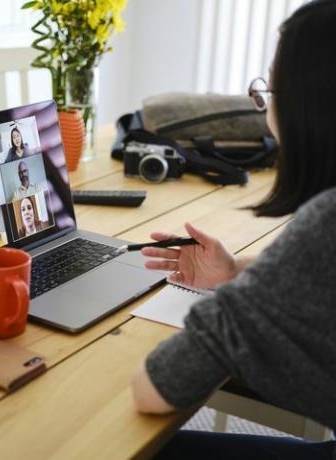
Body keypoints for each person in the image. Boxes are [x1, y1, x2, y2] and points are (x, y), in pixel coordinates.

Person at [131, 2, 336, 459]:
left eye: (271, 93)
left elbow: (153, 388)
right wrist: (238, 270)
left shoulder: (326, 224)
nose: (266, 112)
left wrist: (234, 306)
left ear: (308, 108)